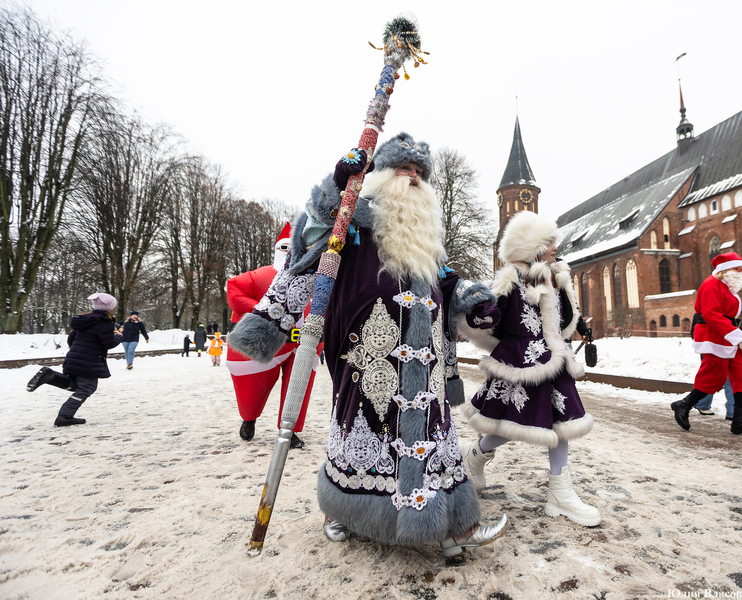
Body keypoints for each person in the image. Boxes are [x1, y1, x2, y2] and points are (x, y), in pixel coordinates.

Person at [228, 132, 508, 556]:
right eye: (403, 169)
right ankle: (342, 509)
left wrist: (468, 295)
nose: (413, 178)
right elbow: (309, 238)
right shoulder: (351, 218)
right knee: (361, 429)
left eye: (419, 172)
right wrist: (338, 186)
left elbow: (446, 282)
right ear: (380, 175)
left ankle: (454, 524)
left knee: (432, 436)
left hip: (424, 364)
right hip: (364, 352)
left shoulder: (426, 237)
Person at [457, 210, 599, 526]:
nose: (555, 247)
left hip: (553, 360)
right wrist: (483, 319)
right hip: (522, 362)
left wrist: (573, 326)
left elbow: (563, 319)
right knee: (512, 423)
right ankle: (476, 454)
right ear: (531, 244)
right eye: (548, 242)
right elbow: (489, 320)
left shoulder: (555, 274)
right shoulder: (511, 278)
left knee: (558, 422)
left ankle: (560, 494)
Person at [225, 222, 319, 450]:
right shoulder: (261, 275)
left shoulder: (318, 279)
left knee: (299, 388)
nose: (291, 252)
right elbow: (234, 290)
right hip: (269, 340)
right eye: (285, 247)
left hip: (305, 342)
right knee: (253, 387)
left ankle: (290, 430)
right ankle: (249, 418)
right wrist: (264, 311)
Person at [670, 252, 742, 435]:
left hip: (727, 335)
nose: (741, 272)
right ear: (726, 270)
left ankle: (739, 420)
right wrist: (735, 335)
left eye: (741, 269)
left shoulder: (726, 286)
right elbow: (711, 314)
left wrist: (736, 336)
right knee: (713, 375)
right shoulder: (711, 284)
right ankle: (683, 405)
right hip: (714, 335)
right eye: (737, 269)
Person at [26, 292, 123, 426]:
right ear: (111, 308)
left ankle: (51, 376)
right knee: (87, 388)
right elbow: (109, 343)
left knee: (77, 386)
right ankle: (64, 416)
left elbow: (70, 340)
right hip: (89, 360)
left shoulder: (84, 321)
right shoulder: (104, 323)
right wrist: (118, 336)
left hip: (74, 357)